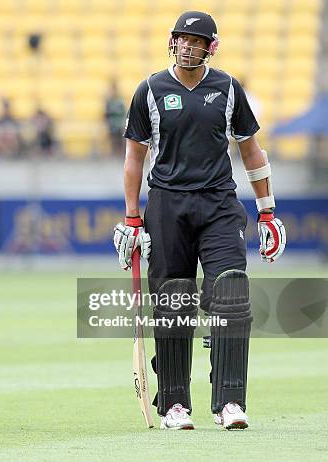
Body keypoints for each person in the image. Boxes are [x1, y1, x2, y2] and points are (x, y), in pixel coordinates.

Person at [113, 11, 286, 431]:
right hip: (167, 205)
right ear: (172, 42)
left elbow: (252, 151)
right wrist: (132, 218)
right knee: (174, 301)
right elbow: (135, 156)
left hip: (219, 204)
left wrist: (267, 211)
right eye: (181, 39)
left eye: (196, 40)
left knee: (230, 293)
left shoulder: (227, 88)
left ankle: (229, 403)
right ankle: (174, 405)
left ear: (212, 47)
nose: (187, 46)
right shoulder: (150, 90)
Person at [104, 79, 127, 156]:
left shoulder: (120, 100)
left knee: (121, 135)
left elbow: (123, 112)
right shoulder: (109, 101)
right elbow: (105, 114)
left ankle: (120, 152)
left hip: (119, 124)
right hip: (111, 124)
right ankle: (114, 152)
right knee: (113, 135)